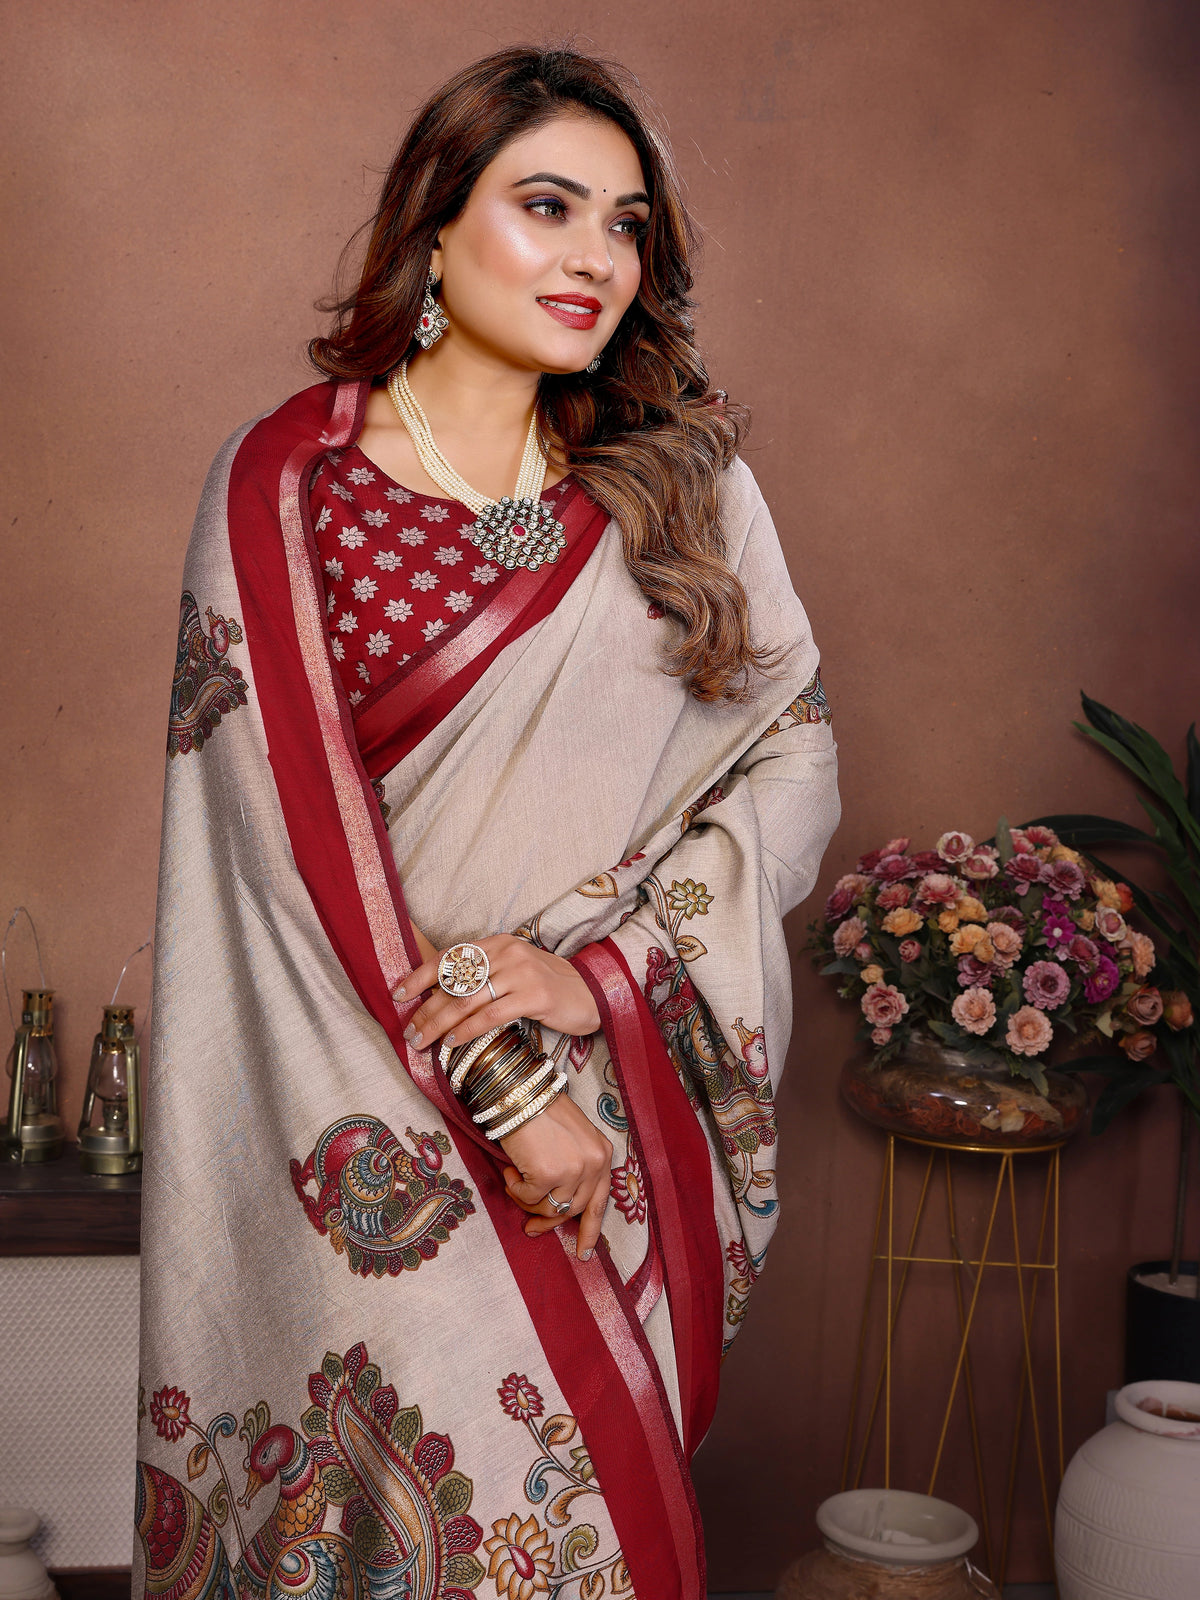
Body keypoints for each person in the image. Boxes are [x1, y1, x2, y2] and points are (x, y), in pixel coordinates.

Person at [136, 46, 839, 1600]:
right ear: (436, 225)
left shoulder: (682, 486)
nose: (596, 255)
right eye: (547, 205)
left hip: (615, 1112)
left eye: (627, 223)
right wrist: (508, 1088)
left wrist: (599, 982)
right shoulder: (289, 489)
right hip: (364, 1120)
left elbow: (789, 753)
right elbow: (284, 864)